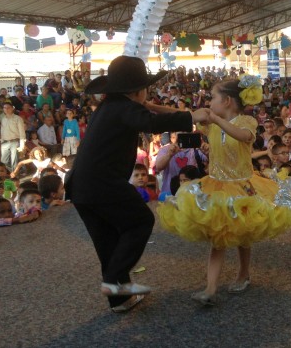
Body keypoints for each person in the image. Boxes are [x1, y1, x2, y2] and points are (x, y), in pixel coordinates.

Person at [65, 56, 209, 314]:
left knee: (107, 239)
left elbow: (146, 112)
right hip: (102, 183)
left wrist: (170, 110)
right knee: (140, 221)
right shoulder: (124, 107)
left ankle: (118, 299)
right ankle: (113, 282)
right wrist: (190, 117)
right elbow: (150, 123)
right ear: (136, 90)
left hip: (82, 186)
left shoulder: (112, 105)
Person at [157, 75, 291, 307]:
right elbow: (182, 116)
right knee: (219, 237)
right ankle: (210, 287)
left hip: (243, 185)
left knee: (243, 233)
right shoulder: (210, 123)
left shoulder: (246, 121)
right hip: (216, 185)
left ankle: (244, 273)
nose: (209, 102)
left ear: (227, 100)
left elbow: (243, 137)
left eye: (213, 98)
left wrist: (216, 119)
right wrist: (150, 106)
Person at [0, 102, 26, 172]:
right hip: (5, 142)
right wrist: (1, 140)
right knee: (4, 161)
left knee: (14, 161)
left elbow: (22, 132)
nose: (6, 109)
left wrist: (22, 145)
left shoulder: (18, 118)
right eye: (5, 108)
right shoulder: (3, 119)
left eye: (8, 108)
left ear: (12, 108)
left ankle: (15, 177)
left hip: (15, 141)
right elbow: (2, 130)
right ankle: (13, 173)